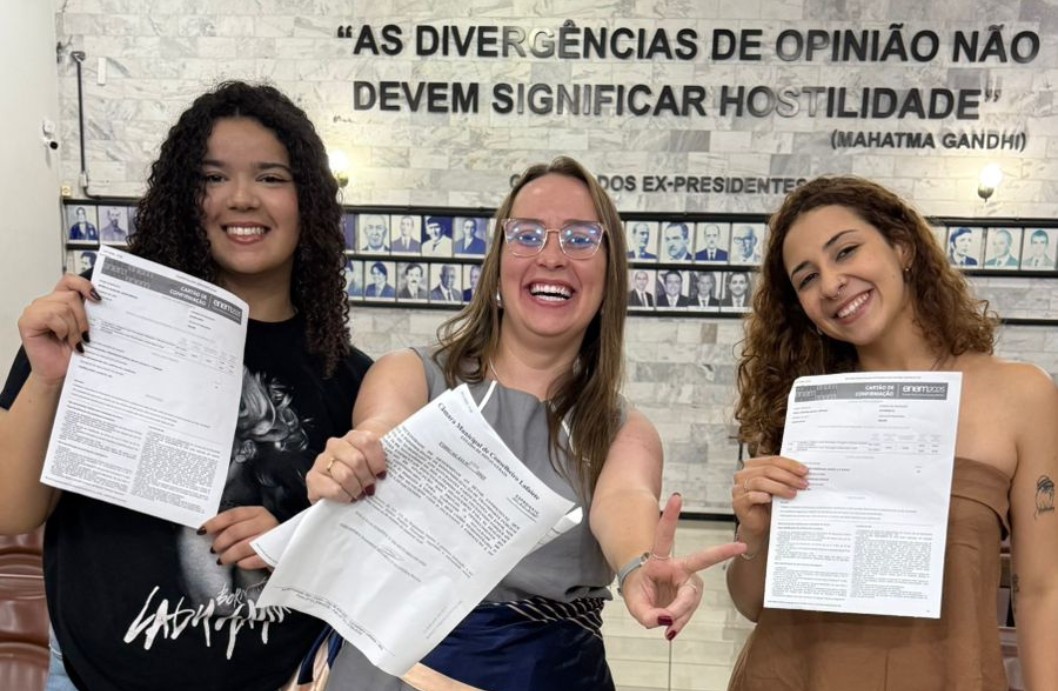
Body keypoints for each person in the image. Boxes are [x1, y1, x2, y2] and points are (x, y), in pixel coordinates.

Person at [306, 156, 745, 690]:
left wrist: (637, 566)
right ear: (497, 265)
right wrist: (353, 458)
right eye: (528, 235)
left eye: (580, 238)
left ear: (609, 277)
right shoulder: (411, 375)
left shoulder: (624, 429)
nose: (552, 256)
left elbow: (624, 499)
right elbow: (381, 429)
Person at [0, 81, 375, 691]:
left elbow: (371, 566)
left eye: (271, 177)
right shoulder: (100, 321)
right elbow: (10, 509)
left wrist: (294, 543)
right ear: (183, 196)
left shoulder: (352, 378)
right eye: (212, 177)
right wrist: (49, 379)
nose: (241, 198)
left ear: (308, 200)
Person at [727, 175, 1058, 691]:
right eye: (807, 278)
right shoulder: (806, 409)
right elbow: (751, 603)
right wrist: (754, 533)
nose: (831, 284)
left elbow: (1041, 590)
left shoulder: (1021, 395)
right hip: (790, 673)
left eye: (846, 251)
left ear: (902, 247)